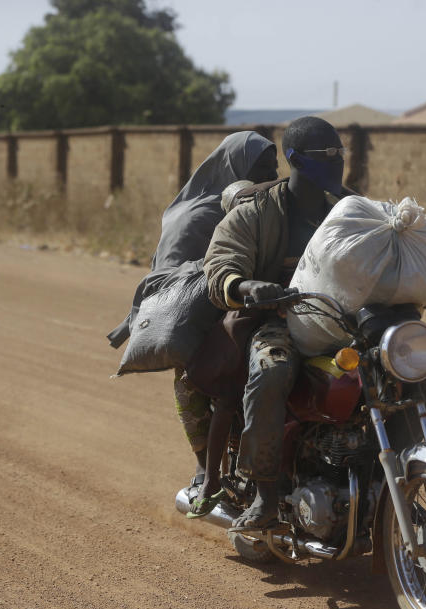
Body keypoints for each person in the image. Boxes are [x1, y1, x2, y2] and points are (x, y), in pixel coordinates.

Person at [107, 131, 278, 496]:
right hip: (200, 304)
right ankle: (205, 465)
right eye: (262, 167)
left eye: (275, 166)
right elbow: (173, 278)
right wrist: (228, 276)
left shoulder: (267, 206)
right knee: (195, 374)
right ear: (237, 168)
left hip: (261, 297)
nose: (271, 174)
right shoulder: (198, 213)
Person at [203, 116, 350, 529]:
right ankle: (265, 491)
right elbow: (220, 270)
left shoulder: (350, 209)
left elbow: (385, 254)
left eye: (339, 154)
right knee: (271, 372)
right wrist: (248, 286)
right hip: (279, 321)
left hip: (343, 322)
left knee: (413, 368)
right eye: (324, 156)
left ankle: (403, 467)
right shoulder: (255, 211)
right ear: (296, 160)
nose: (334, 163)